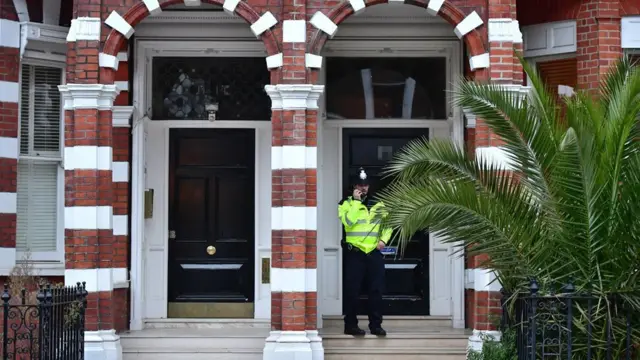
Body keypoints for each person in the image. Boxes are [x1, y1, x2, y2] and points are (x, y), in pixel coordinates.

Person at [338, 167, 392, 336]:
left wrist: (383, 240)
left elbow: (389, 225)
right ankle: (351, 325)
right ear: (354, 185)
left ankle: (376, 325)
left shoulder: (379, 204)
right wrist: (355, 202)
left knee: (376, 290)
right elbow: (348, 222)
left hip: (373, 253)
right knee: (352, 291)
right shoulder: (345, 204)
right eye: (360, 185)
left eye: (366, 185)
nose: (363, 188)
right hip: (355, 253)